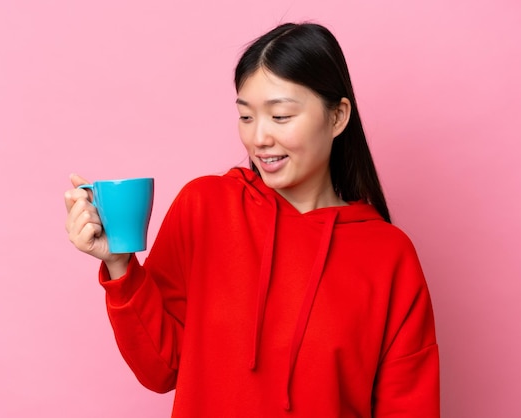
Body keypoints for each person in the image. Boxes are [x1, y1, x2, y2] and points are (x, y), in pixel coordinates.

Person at [65, 22, 439, 417]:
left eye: (280, 116)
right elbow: (160, 369)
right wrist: (119, 264)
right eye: (246, 117)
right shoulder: (205, 207)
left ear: (337, 117)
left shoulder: (389, 255)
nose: (259, 137)